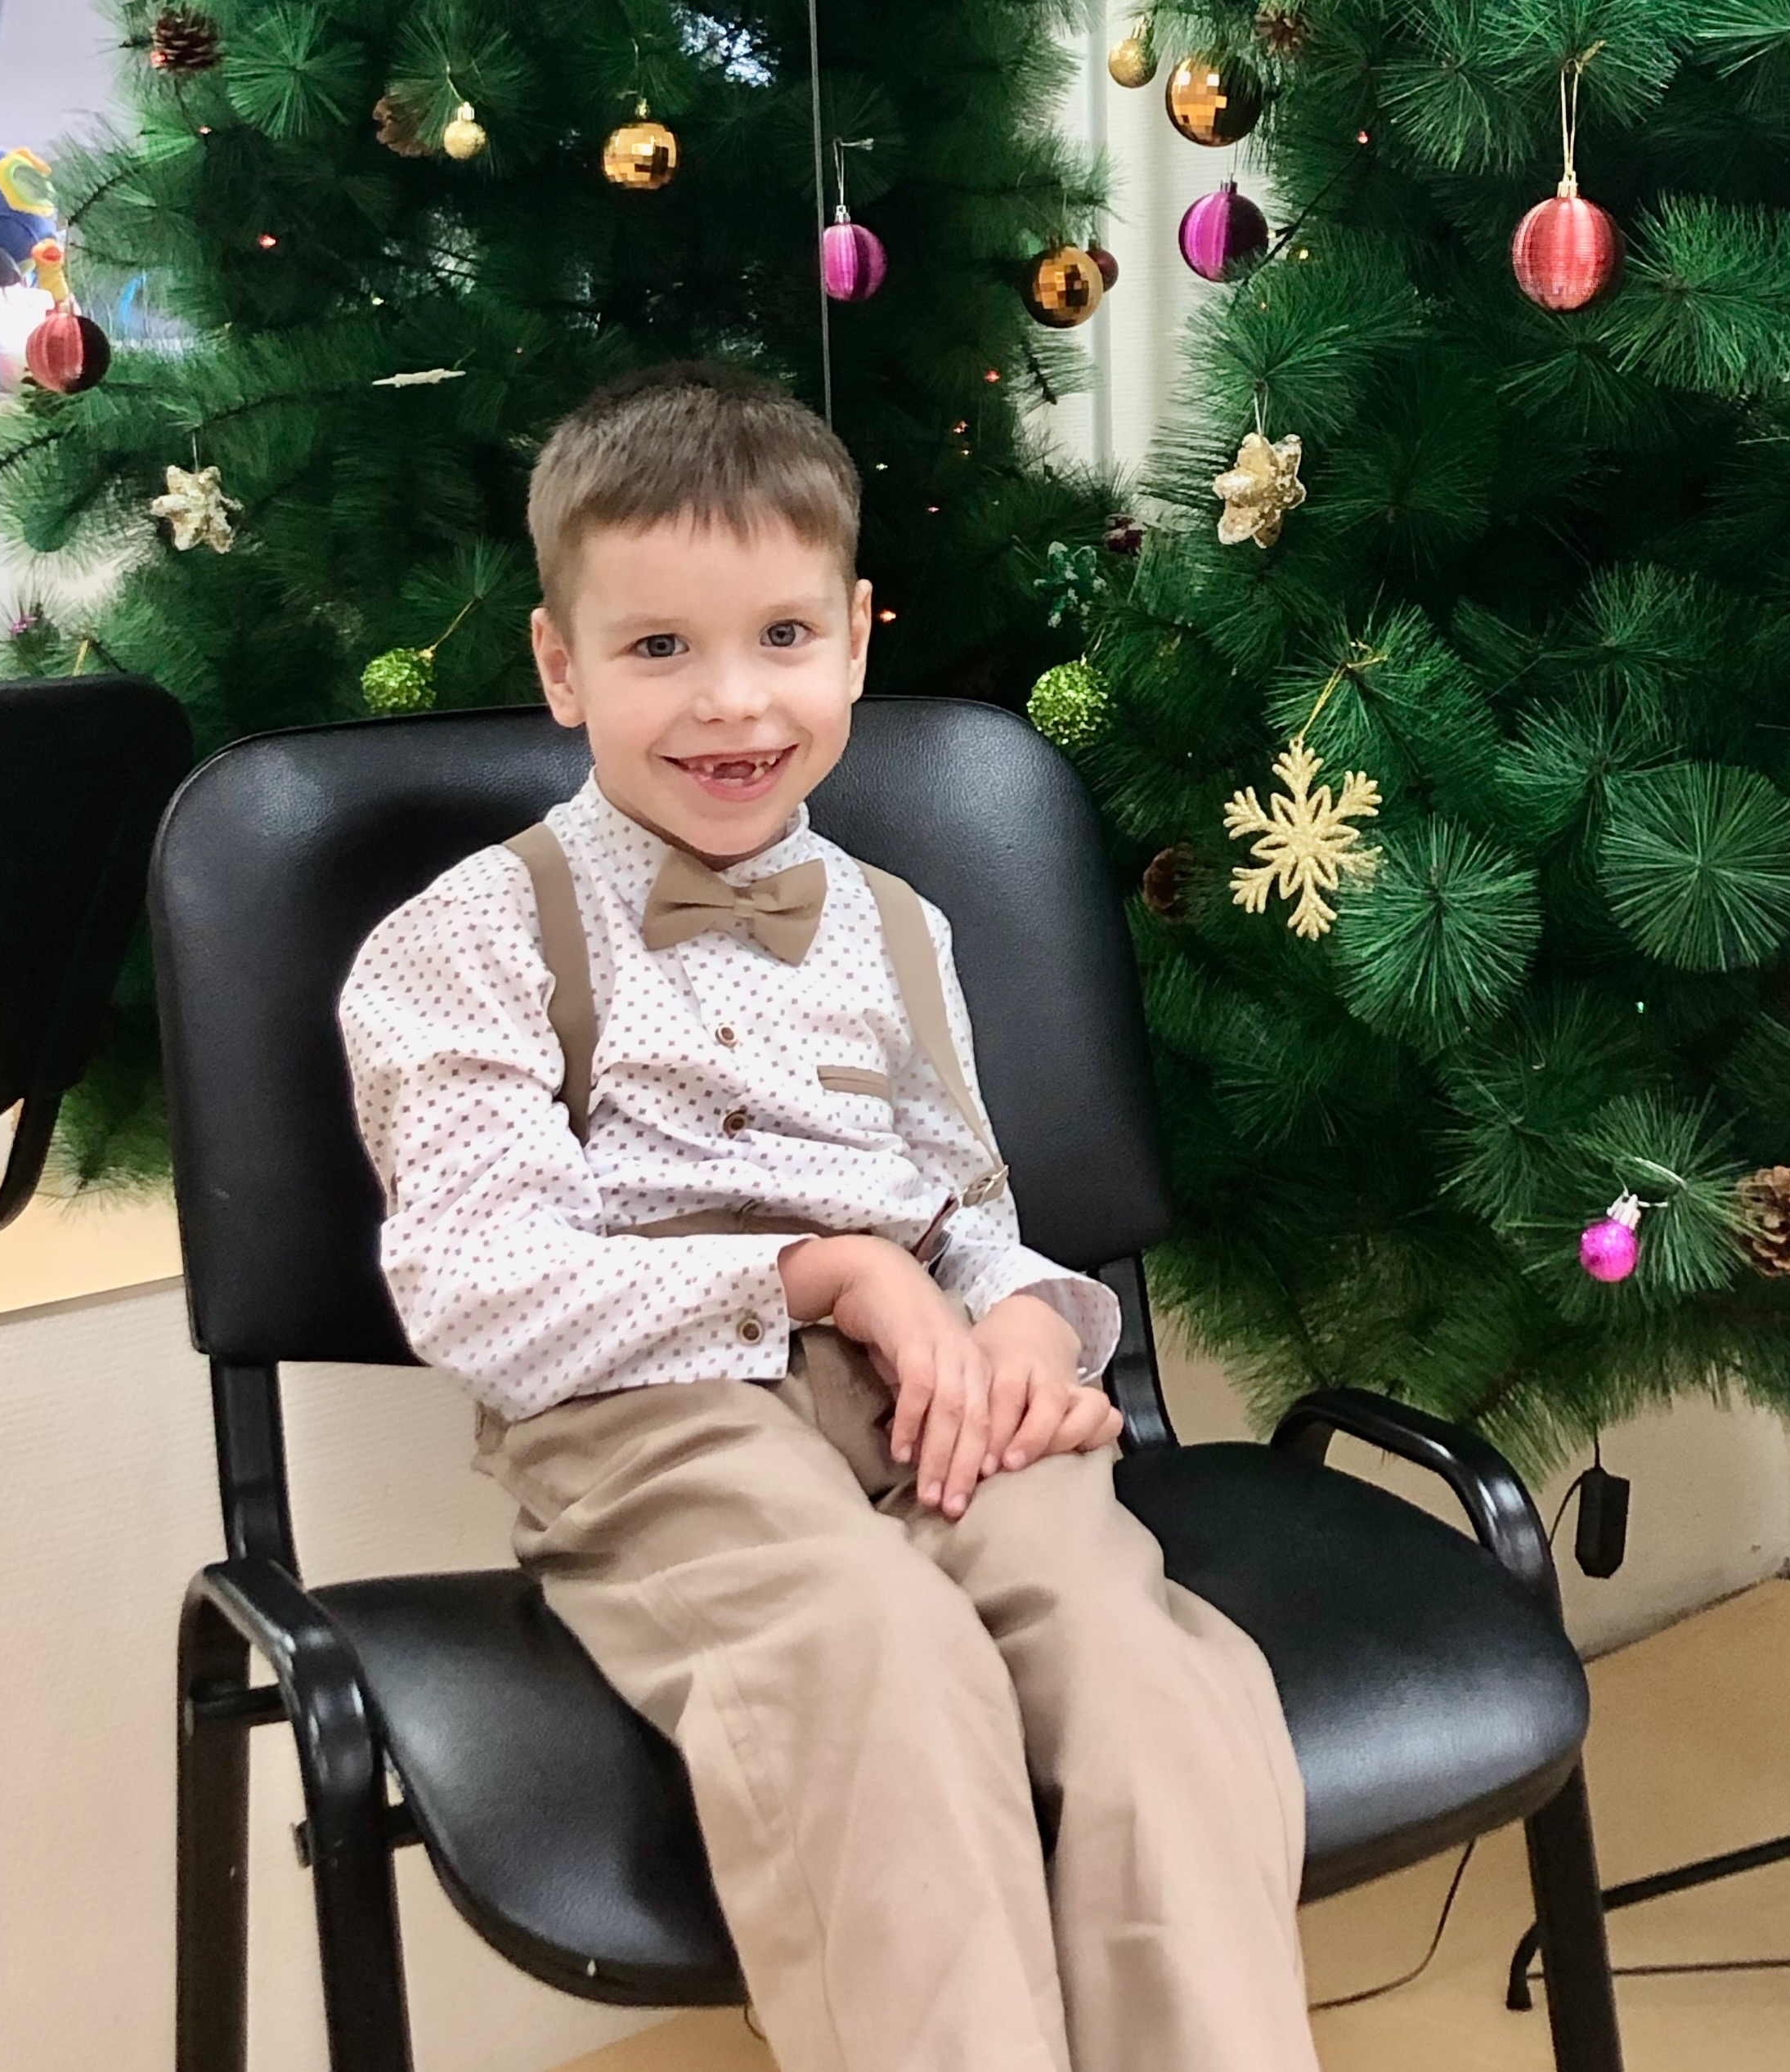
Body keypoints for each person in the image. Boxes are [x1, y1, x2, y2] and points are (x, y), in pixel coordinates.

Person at [339, 361, 1321, 2072]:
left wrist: (1024, 1324)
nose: (733, 701)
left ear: (855, 640)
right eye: (658, 647)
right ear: (560, 666)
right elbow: (478, 1288)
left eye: (784, 636)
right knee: (876, 1660)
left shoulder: (895, 924)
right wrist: (822, 1272)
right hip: (657, 1414)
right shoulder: (467, 938)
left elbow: (968, 1208)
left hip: (927, 1384)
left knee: (1142, 1668)